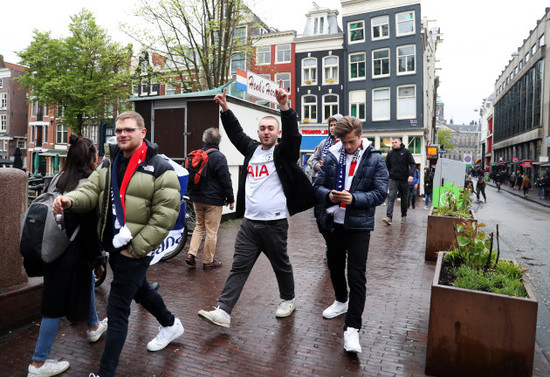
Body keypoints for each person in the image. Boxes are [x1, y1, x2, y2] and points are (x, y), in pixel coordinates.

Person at [53, 111, 183, 377]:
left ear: (143, 133)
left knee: (118, 308)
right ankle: (170, 324)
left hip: (135, 249)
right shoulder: (110, 163)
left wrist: (135, 249)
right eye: (119, 130)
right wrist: (71, 200)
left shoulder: (160, 168)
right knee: (141, 290)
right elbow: (91, 189)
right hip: (114, 244)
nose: (122, 134)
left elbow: (164, 217)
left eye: (129, 130)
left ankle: (105, 372)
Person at [198, 85, 315, 328]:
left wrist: (285, 107)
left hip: (274, 223)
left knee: (280, 265)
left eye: (270, 128)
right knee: (239, 267)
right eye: (262, 128)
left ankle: (288, 299)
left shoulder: (283, 153)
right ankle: (223, 310)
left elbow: (294, 138)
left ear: (277, 132)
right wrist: (225, 109)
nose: (265, 132)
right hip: (249, 223)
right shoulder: (252, 150)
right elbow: (236, 134)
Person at [28, 135, 107, 377]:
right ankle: (38, 363)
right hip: (73, 255)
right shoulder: (86, 185)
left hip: (52, 249)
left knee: (84, 285)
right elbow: (90, 232)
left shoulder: (56, 180)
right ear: (91, 158)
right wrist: (98, 261)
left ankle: (93, 326)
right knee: (53, 307)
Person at [313, 116, 388, 353]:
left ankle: (352, 329)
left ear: (360, 135)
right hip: (334, 223)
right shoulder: (332, 155)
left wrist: (354, 199)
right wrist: (329, 195)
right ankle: (341, 301)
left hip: (359, 227)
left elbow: (380, 193)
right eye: (344, 142)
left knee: (356, 276)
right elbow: (317, 186)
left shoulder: (375, 158)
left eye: (351, 142)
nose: (347, 146)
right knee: (334, 268)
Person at [185, 127, 235, 270]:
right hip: (213, 200)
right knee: (211, 231)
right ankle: (208, 261)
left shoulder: (196, 155)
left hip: (197, 198)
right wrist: (230, 198)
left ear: (204, 140)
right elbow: (225, 180)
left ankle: (191, 254)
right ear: (218, 141)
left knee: (199, 226)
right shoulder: (219, 157)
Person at [382, 137, 415, 225]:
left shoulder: (406, 152)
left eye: (395, 142)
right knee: (391, 197)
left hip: (404, 180)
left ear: (400, 143)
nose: (393, 144)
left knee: (404, 199)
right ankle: (389, 218)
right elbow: (387, 166)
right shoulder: (390, 153)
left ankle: (403, 216)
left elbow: (413, 164)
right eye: (392, 142)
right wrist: (389, 175)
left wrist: (411, 175)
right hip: (393, 179)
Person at [307, 113, 343, 184]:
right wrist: (317, 165)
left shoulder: (345, 143)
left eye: (335, 125)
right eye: (331, 125)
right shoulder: (323, 143)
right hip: (323, 180)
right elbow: (314, 159)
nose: (332, 128)